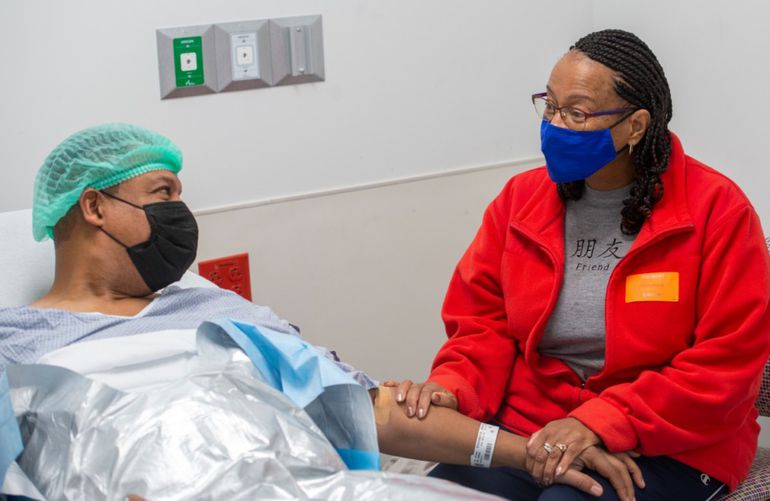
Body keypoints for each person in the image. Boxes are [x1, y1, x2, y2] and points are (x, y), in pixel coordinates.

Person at [0, 123, 632, 499]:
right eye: (161, 194)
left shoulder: (218, 309)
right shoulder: (18, 344)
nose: (180, 215)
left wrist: (532, 455)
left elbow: (368, 408)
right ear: (92, 207)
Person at [394, 29, 770, 500]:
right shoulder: (520, 200)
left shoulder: (718, 210)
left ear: (635, 126)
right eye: (549, 106)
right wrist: (453, 387)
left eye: (577, 112)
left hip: (670, 443)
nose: (554, 125)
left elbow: (726, 366)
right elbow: (482, 328)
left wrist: (599, 422)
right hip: (535, 429)